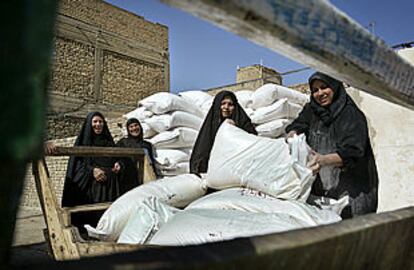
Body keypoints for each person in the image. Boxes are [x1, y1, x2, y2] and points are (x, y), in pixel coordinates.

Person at [285, 72, 378, 218]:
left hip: (353, 191)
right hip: (322, 189)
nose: (319, 93)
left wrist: (323, 160)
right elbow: (298, 124)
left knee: (351, 233)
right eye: (315, 90)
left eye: (324, 87)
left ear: (335, 87)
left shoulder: (350, 114)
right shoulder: (312, 110)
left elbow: (353, 151)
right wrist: (293, 135)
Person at [62, 111, 121, 208]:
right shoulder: (83, 143)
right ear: (89, 123)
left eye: (100, 122)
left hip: (110, 188)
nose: (98, 124)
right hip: (91, 190)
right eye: (95, 122)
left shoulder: (108, 142)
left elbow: (118, 158)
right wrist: (92, 170)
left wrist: (118, 164)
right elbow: (77, 165)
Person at [190, 90, 257, 175]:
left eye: (230, 104)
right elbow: (201, 151)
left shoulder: (243, 123)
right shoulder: (210, 127)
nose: (226, 107)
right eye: (223, 103)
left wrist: (235, 130)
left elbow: (252, 144)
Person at [116, 118, 160, 194]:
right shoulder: (123, 142)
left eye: (136, 125)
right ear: (128, 129)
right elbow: (117, 157)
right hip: (127, 178)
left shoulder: (147, 145)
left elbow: (151, 161)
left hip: (144, 176)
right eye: (131, 126)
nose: (134, 128)